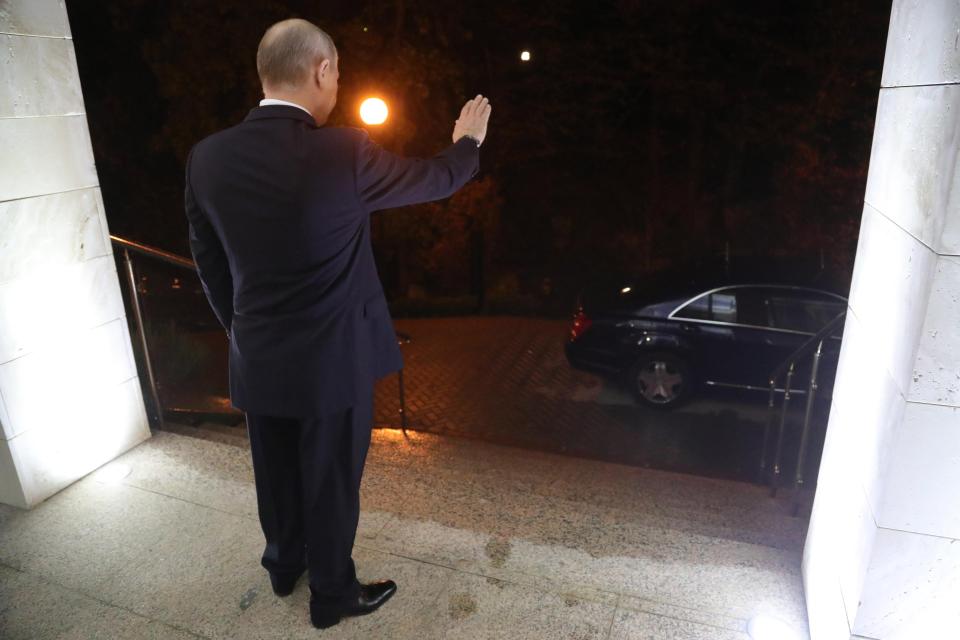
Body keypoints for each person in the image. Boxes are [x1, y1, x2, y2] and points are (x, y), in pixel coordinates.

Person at [183, 18, 490, 629]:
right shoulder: (344, 151)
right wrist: (467, 143)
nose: (338, 85)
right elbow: (438, 179)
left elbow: (208, 262)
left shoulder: (207, 157)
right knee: (329, 481)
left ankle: (281, 565)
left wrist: (241, 330)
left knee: (273, 470)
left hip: (258, 353)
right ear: (322, 70)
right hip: (332, 362)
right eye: (339, 73)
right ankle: (332, 595)